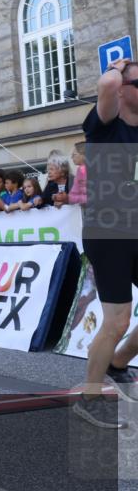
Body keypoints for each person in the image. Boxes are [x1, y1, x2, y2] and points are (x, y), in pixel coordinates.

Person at [73, 58, 138, 428]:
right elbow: (108, 86)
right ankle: (90, 398)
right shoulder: (105, 124)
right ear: (124, 89)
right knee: (117, 320)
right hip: (108, 231)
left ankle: (118, 362)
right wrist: (118, 66)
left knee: (121, 323)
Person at [68, 141, 87, 205]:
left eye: (74, 155)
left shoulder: (82, 170)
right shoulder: (80, 170)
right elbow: (73, 194)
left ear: (83, 155)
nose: (72, 157)